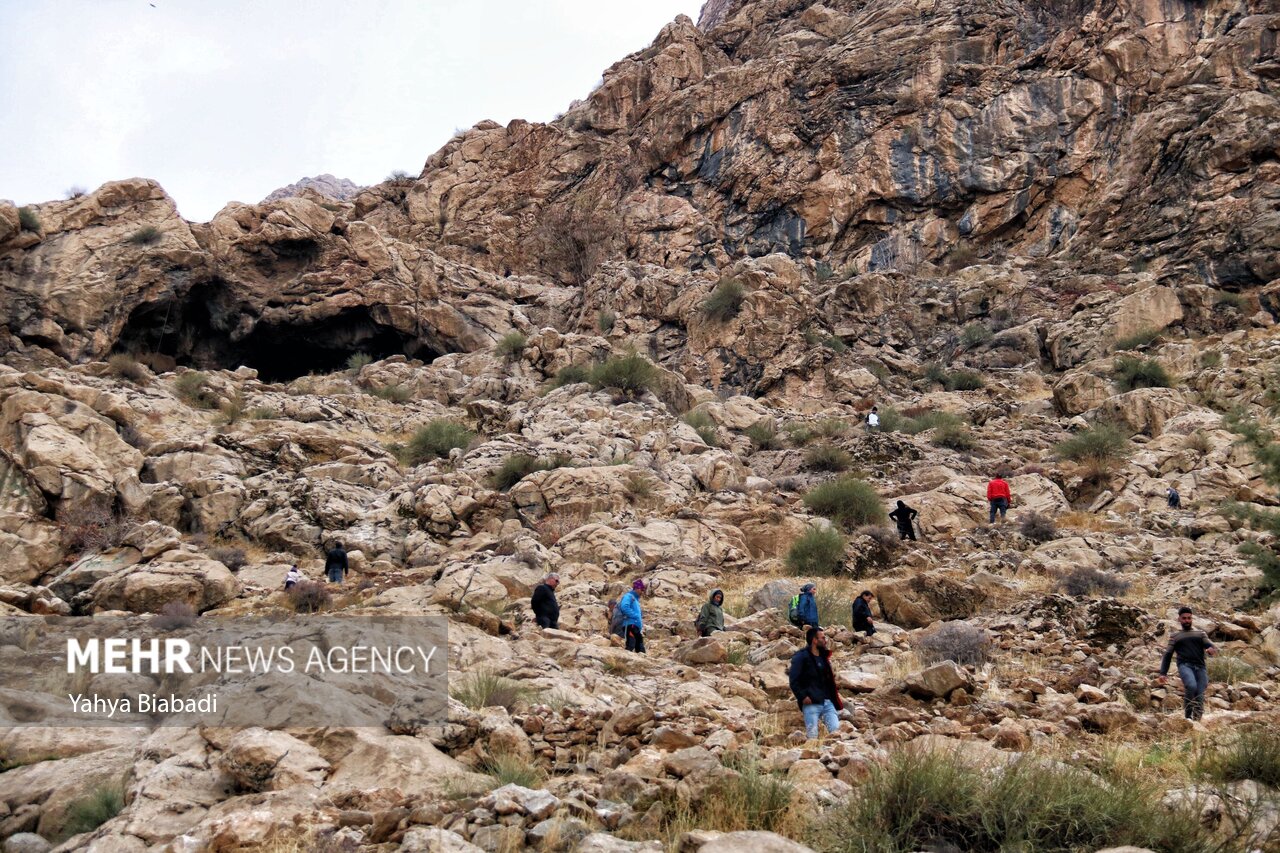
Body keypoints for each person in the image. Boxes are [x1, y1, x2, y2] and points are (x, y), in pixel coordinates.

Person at [1157, 606, 1217, 720]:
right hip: (1185, 666)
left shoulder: (1200, 634)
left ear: (1192, 619)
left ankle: (1197, 721)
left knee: (1200, 694)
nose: (1187, 620)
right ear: (1179, 619)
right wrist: (1163, 673)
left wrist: (1211, 650)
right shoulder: (1175, 636)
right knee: (1191, 685)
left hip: (1200, 667)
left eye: (1189, 618)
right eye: (1184, 618)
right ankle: (1188, 718)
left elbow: (1211, 646)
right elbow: (1168, 654)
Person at [788, 627, 843, 739]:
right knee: (812, 737)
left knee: (837, 734)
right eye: (822, 638)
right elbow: (793, 680)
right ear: (814, 640)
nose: (825, 640)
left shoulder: (823, 657)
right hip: (811, 703)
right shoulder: (801, 657)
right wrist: (802, 697)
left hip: (827, 702)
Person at [618, 579, 647, 654]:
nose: (642, 592)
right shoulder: (629, 596)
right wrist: (636, 616)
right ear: (637, 588)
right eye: (642, 589)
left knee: (639, 646)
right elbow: (624, 607)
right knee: (631, 645)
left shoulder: (635, 599)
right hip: (630, 625)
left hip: (634, 626)